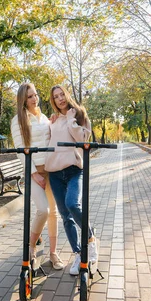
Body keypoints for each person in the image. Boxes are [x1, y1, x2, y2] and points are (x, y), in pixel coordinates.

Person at [44, 85, 98, 276]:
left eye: (62, 95)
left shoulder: (80, 114)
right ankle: (77, 253)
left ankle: (90, 240)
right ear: (53, 100)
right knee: (65, 216)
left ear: (67, 95)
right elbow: (48, 142)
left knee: (72, 204)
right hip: (55, 174)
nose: (60, 99)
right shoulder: (54, 120)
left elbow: (82, 140)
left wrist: (70, 119)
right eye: (55, 97)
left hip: (74, 170)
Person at [10, 82, 64, 270]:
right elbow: (20, 151)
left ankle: (53, 253)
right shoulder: (18, 120)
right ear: (23, 100)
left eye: (35, 95)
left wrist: (55, 123)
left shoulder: (44, 119)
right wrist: (34, 173)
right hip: (34, 172)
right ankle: (31, 247)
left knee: (54, 213)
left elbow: (53, 139)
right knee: (43, 210)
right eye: (30, 96)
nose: (34, 99)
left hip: (51, 171)